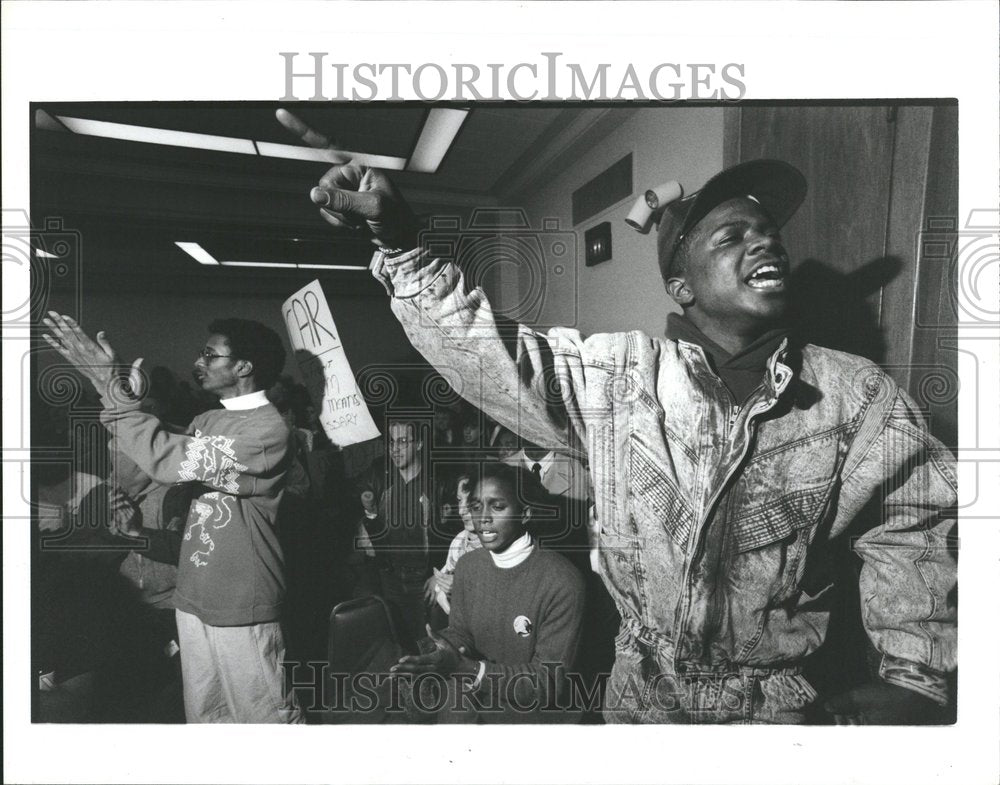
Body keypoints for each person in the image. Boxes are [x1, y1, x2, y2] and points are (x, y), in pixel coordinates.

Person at [278, 111, 957, 725]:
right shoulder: (619, 376)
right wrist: (400, 242)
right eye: (734, 234)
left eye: (770, 232)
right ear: (682, 285)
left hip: (773, 714)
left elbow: (911, 529)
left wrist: (915, 675)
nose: (766, 244)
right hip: (642, 704)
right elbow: (489, 354)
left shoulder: (853, 393)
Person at [42, 314, 303, 723]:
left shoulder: (269, 431)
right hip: (194, 593)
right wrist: (111, 385)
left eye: (209, 354)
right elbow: (144, 440)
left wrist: (111, 383)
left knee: (265, 718)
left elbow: (168, 460)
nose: (198, 362)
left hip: (240, 599)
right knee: (207, 715)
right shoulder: (209, 419)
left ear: (243, 367)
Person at [391, 463, 585, 722]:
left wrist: (469, 669)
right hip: (471, 701)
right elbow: (462, 634)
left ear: (525, 513)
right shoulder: (468, 566)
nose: (482, 518)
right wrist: (437, 652)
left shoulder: (562, 582)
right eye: (476, 506)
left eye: (497, 506)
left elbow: (546, 683)